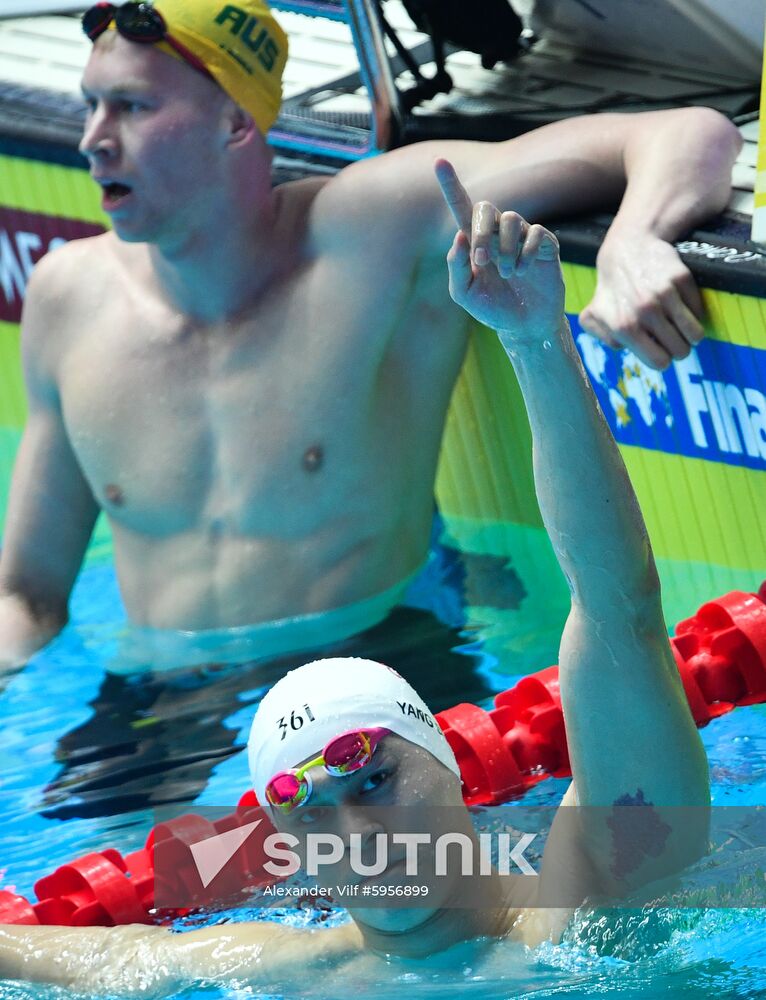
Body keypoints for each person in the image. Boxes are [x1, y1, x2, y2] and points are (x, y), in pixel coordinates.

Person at [0, 177, 711, 994]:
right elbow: (98, 959)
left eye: (375, 778)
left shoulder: (602, 894)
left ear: (447, 759)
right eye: (307, 810)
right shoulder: (291, 972)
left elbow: (616, 604)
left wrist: (535, 340)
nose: (357, 834)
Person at [0, 0, 742, 675]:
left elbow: (690, 134)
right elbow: (26, 597)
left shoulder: (376, 231)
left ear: (235, 123)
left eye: (131, 107)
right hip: (166, 701)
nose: (94, 139)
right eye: (92, 105)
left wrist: (633, 240)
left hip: (374, 671)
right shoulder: (70, 296)